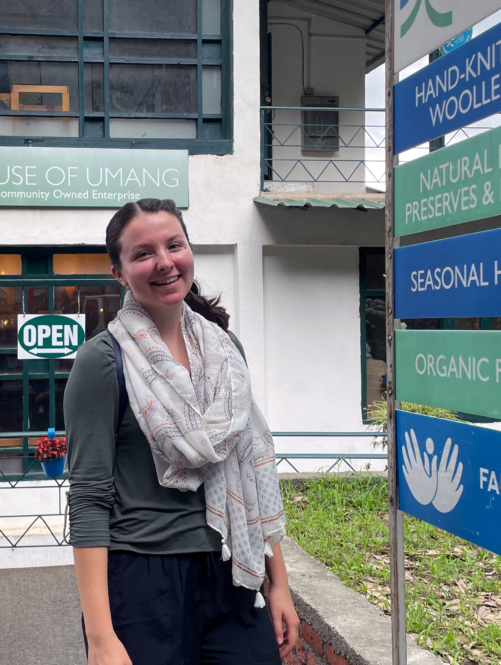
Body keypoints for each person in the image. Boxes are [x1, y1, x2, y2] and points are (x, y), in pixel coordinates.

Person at [65, 198, 299, 665]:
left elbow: (251, 471)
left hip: (231, 568)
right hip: (143, 582)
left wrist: (280, 585)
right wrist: (100, 638)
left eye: (174, 245)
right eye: (143, 253)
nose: (165, 262)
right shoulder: (103, 361)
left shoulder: (225, 350)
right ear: (119, 272)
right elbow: (89, 498)